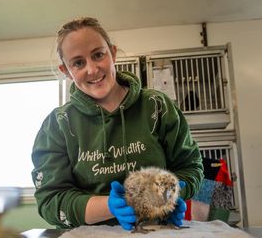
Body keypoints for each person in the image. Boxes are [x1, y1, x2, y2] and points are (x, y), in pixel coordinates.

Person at [31, 17, 204, 230]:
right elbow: (51, 200)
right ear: (65, 70)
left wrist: (174, 194)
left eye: (98, 55)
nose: (92, 69)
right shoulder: (57, 125)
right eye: (78, 62)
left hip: (158, 231)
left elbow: (191, 166)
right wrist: (110, 206)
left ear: (112, 53)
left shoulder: (157, 107)